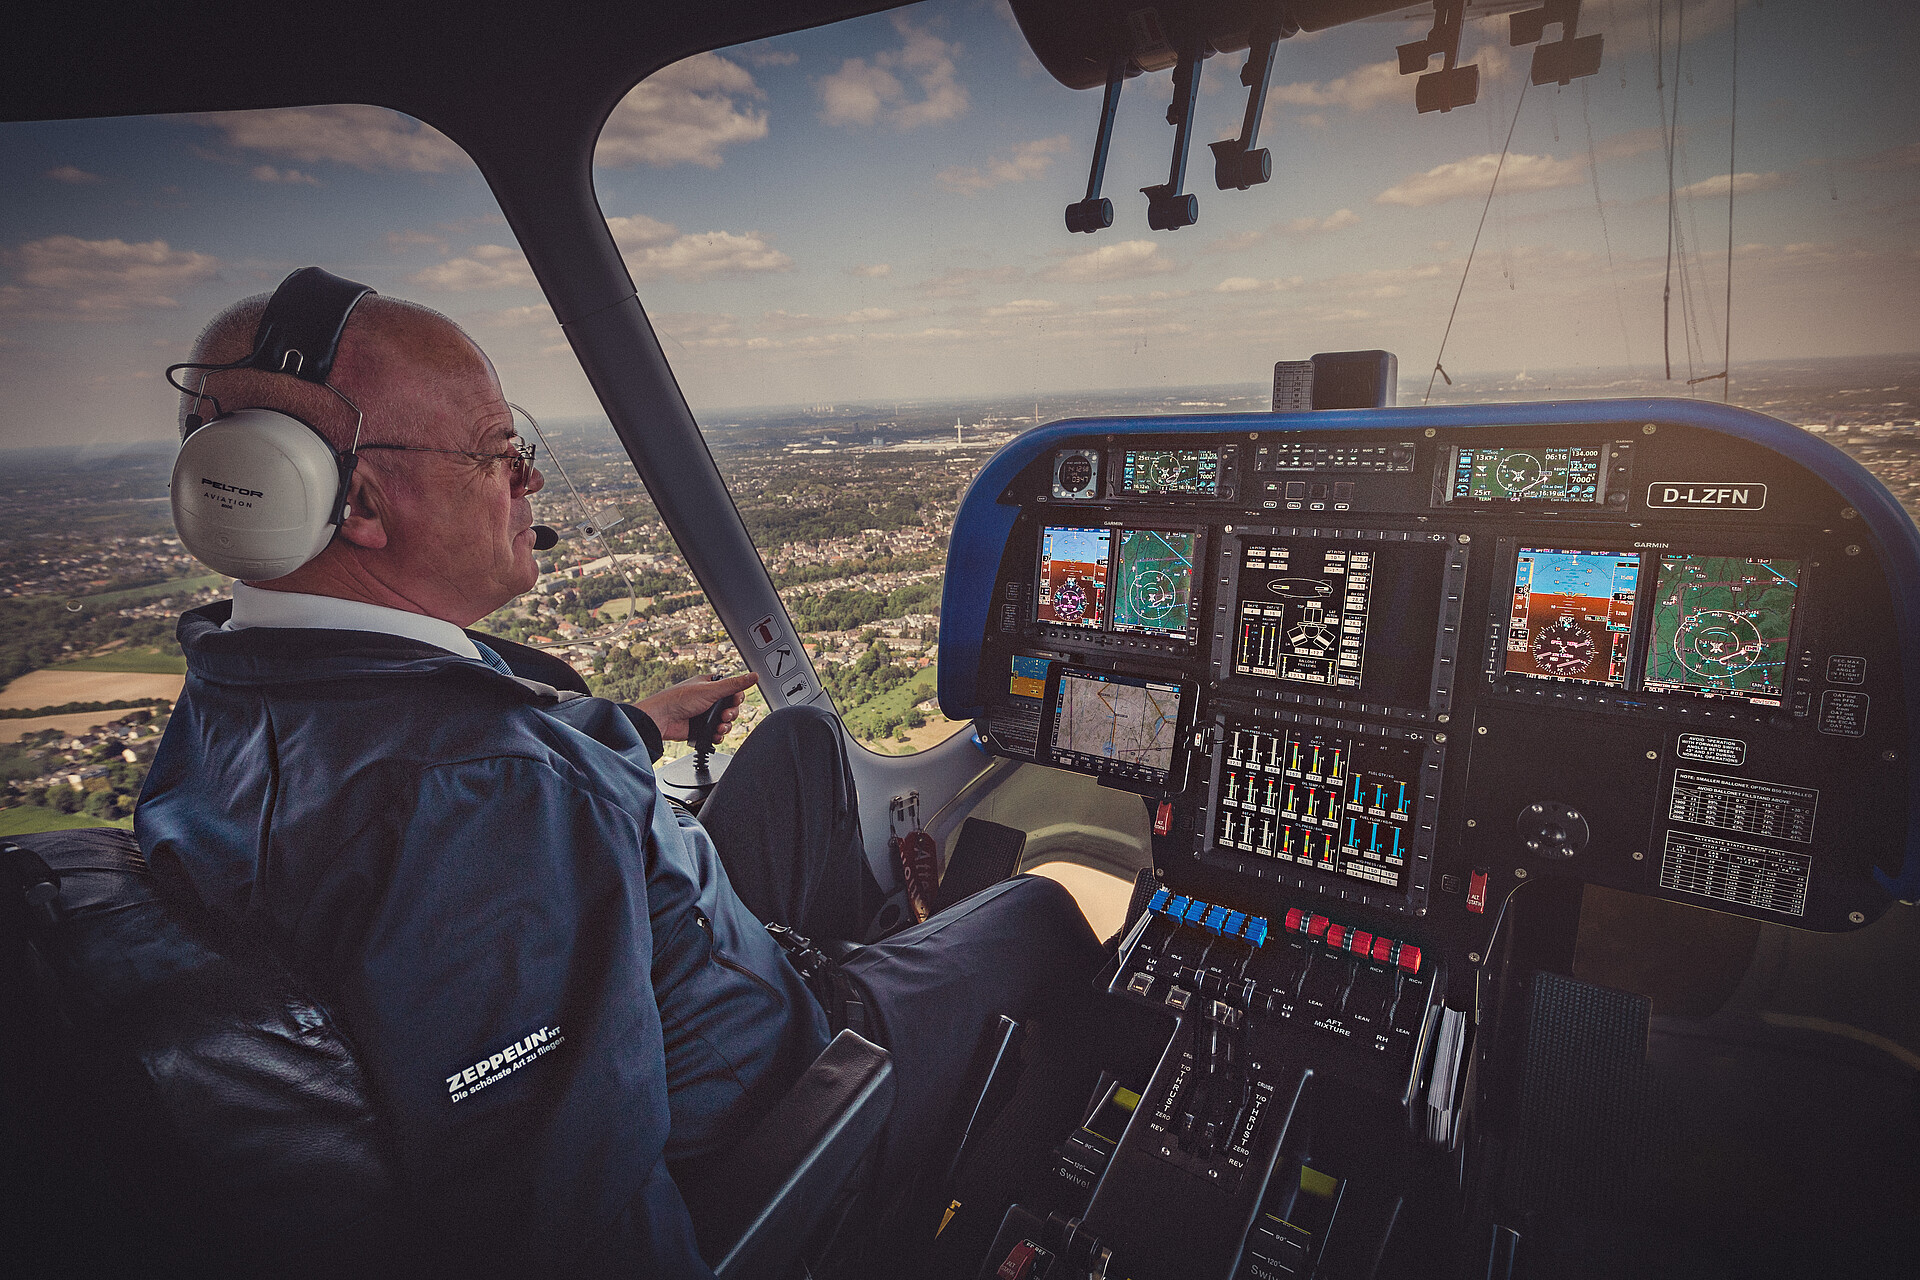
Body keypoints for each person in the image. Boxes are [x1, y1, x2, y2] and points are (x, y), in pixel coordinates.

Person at [135, 284, 1105, 1275]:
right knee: (1037, 918)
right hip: (790, 1082)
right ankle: (1025, 1219)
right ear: (358, 503)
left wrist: (637, 725)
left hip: (663, 980)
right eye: (498, 450)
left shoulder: (234, 687)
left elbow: (445, 759)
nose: (528, 480)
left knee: (803, 742)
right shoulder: (485, 805)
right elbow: (570, 1225)